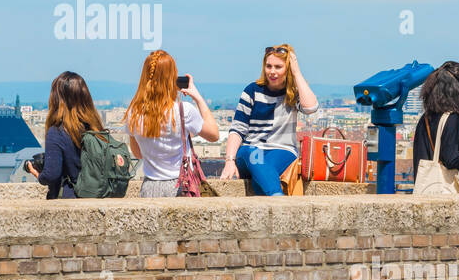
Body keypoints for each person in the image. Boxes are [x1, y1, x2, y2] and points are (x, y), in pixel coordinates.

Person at [220, 44, 320, 196]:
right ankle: (278, 201)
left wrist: (297, 72)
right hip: (250, 151)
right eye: (269, 66)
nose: (272, 71)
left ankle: (273, 202)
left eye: (278, 67)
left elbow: (311, 107)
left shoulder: (292, 92)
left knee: (261, 175)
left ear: (287, 68)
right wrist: (229, 161)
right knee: (253, 153)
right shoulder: (252, 91)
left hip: (282, 150)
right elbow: (237, 129)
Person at [124, 50, 220, 197]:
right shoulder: (183, 111)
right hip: (181, 186)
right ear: (172, 78)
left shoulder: (133, 113)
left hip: (149, 188)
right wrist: (198, 98)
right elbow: (214, 135)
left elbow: (138, 154)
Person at [24, 71, 105, 199]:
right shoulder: (97, 129)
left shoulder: (57, 132)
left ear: (56, 100)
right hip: (100, 197)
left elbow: (51, 174)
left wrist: (38, 174)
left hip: (72, 199)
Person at [412, 61, 459, 193]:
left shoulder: (425, 119)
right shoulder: (452, 118)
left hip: (427, 188)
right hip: (447, 192)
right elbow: (451, 160)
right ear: (456, 90)